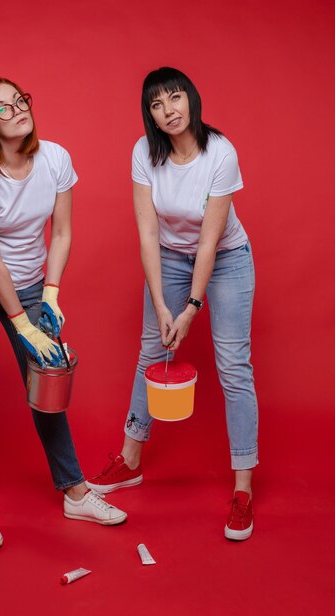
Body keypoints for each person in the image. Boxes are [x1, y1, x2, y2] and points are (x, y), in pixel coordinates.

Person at [0, 78, 127, 549]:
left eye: (19, 100)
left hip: (30, 286)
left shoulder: (55, 158)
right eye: (2, 109)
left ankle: (75, 492)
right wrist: (22, 323)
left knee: (48, 380)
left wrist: (49, 294)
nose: (18, 110)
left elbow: (63, 232)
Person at [87, 67, 258, 541]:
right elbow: (146, 232)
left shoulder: (220, 153)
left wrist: (191, 307)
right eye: (157, 105)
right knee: (151, 352)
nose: (169, 111)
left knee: (233, 366)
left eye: (175, 98)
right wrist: (163, 304)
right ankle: (130, 461)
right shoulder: (144, 152)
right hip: (168, 258)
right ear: (151, 116)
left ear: (191, 99)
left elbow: (209, 241)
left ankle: (242, 487)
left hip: (225, 258)